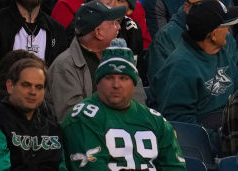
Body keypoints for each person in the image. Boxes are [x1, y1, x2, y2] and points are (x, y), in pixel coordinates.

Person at [60, 39, 186, 170]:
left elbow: (174, 166)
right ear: (98, 82)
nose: (116, 85)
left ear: (133, 83)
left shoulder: (156, 121)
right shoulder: (83, 117)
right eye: (109, 77)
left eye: (123, 78)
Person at [153, 0, 238, 127]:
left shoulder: (221, 52)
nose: (229, 29)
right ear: (213, 35)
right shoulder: (180, 68)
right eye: (226, 26)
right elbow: (180, 123)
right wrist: (219, 138)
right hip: (204, 140)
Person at [0, 56, 63, 169]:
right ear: (10, 86)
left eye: (39, 87)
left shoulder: (51, 123)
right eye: (26, 85)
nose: (33, 92)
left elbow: (63, 166)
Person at [47, 0, 135, 119]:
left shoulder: (122, 59)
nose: (119, 27)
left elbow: (138, 104)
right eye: (113, 22)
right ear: (98, 33)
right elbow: (72, 118)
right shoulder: (65, 66)